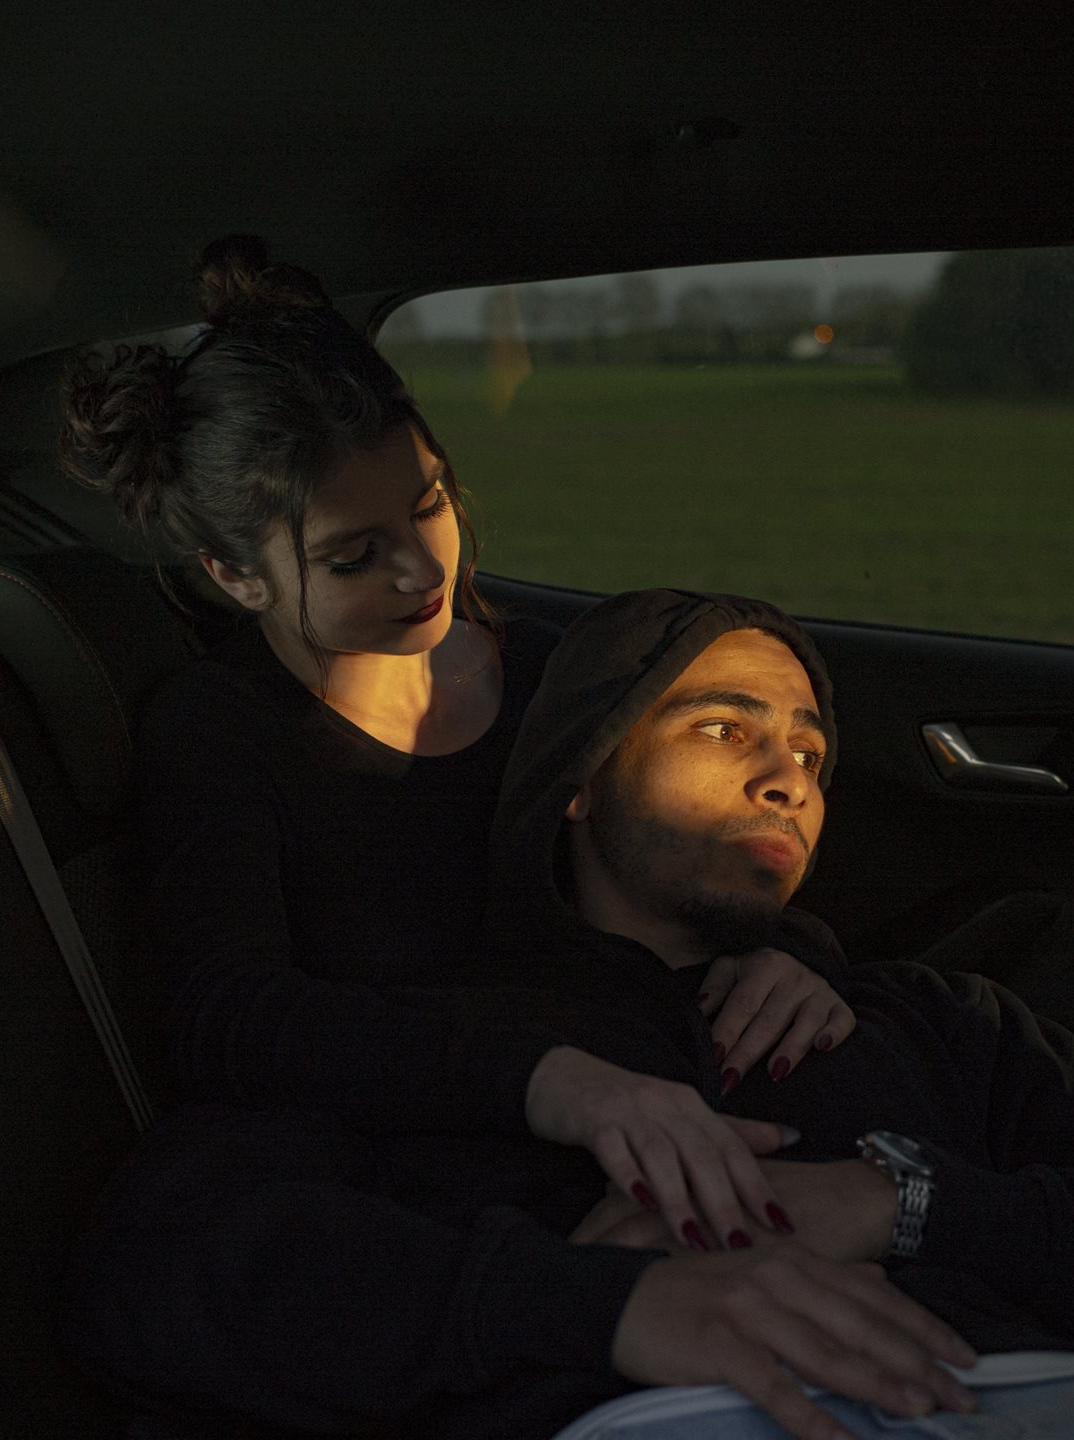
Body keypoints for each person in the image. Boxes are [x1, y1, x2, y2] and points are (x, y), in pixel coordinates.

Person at [65, 588, 1074, 1440]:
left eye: (811, 751)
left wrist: (898, 1204)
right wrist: (613, 1307)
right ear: (578, 777)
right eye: (725, 729)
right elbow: (166, 1262)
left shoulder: (932, 1024)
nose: (789, 775)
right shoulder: (448, 1036)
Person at [58, 239, 859, 1259]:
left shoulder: (551, 673)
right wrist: (543, 1078)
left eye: (430, 504)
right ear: (235, 575)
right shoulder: (218, 731)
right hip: (423, 1186)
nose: (420, 568)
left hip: (646, 1134)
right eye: (353, 554)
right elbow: (231, 1015)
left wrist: (786, 956)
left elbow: (686, 853)